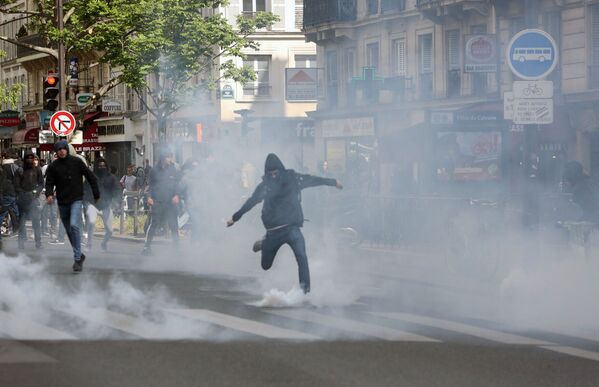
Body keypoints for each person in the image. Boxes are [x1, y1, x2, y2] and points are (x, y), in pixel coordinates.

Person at [227, 153, 343, 294]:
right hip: (273, 232)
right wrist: (235, 218)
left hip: (292, 228)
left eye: (276, 173)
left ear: (281, 170)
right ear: (266, 173)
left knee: (302, 257)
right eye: (271, 174)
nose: (274, 176)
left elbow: (313, 180)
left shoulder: (293, 179)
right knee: (265, 265)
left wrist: (334, 182)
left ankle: (304, 292)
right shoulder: (265, 186)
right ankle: (264, 244)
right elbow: (251, 201)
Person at [45, 141, 100, 273]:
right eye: (59, 150)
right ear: (56, 152)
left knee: (75, 225)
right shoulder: (53, 166)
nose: (62, 151)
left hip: (76, 199)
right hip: (62, 201)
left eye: (64, 149)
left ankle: (77, 260)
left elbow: (91, 177)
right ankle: (80, 255)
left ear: (67, 150)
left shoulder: (77, 162)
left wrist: (96, 194)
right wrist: (49, 194)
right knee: (69, 231)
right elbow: (49, 183)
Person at [142, 148, 181, 256]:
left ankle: (176, 249)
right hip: (157, 201)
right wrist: (149, 197)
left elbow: (177, 185)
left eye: (171, 157)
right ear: (163, 158)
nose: (170, 159)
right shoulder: (154, 170)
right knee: (154, 224)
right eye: (168, 157)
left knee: (174, 225)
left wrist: (177, 195)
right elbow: (149, 185)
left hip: (170, 202)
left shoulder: (173, 169)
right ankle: (146, 247)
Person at [86, 158, 120, 251]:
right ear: (96, 167)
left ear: (106, 166)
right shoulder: (91, 176)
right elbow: (85, 189)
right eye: (99, 166)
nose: (102, 167)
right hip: (93, 204)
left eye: (103, 166)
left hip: (106, 205)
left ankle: (104, 243)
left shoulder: (112, 177)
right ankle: (89, 244)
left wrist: (116, 201)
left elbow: (117, 190)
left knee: (110, 231)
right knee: (91, 222)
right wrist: (87, 201)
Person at [16, 150, 44, 249]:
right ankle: (21, 242)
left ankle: (38, 242)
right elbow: (17, 185)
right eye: (28, 157)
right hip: (23, 199)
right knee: (22, 222)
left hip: (33, 199)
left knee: (36, 221)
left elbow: (41, 184)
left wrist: (36, 192)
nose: (29, 159)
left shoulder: (37, 170)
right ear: (24, 159)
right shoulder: (20, 170)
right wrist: (22, 194)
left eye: (31, 157)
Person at [0, 149, 22, 238]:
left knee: (3, 212)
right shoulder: (14, 166)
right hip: (13, 192)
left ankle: (15, 229)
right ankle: (16, 229)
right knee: (14, 211)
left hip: (7, 193)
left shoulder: (3, 167)